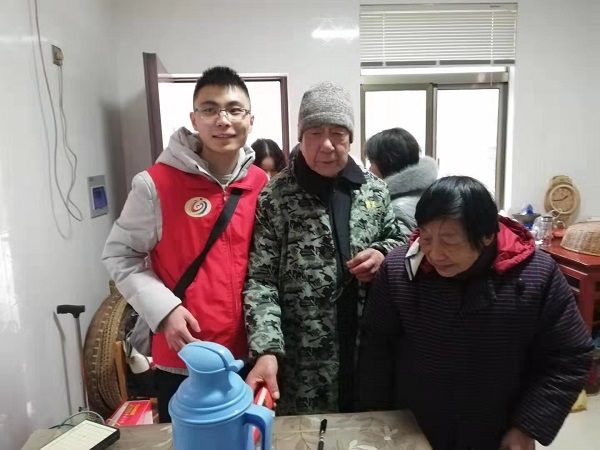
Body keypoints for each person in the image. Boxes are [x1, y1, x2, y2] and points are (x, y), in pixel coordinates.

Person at [358, 176, 593, 450]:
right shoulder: (399, 269)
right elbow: (376, 347)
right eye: (426, 237)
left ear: (486, 235)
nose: (434, 253)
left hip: (499, 431)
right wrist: (375, 416)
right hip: (412, 427)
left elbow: (570, 355)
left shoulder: (536, 274)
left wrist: (527, 426)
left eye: (449, 241)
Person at [102, 66, 268, 422]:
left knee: (249, 439)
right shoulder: (155, 184)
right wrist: (164, 311)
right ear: (194, 119)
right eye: (209, 109)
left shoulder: (261, 183)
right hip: (184, 355)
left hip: (250, 353)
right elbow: (120, 255)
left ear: (250, 120)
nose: (222, 120)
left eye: (234, 109)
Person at [243, 81, 407, 416]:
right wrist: (266, 349)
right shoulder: (276, 197)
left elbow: (399, 242)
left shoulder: (375, 191)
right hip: (303, 359)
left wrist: (381, 253)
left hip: (368, 350)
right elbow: (261, 280)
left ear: (351, 138)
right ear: (301, 137)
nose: (327, 145)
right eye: (315, 133)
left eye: (338, 133)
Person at [365, 127, 438, 235]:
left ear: (386, 163)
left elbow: (399, 244)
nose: (369, 169)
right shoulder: (429, 191)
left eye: (372, 163)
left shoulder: (397, 209)